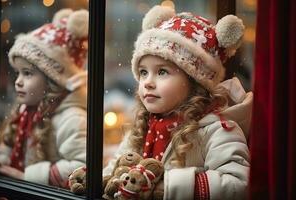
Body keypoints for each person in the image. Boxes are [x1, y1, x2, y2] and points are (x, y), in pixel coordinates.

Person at [103, 5, 253, 200]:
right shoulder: (143, 125)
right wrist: (104, 180)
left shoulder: (218, 130)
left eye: (162, 72)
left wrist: (167, 187)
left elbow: (239, 184)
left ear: (194, 81)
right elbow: (114, 167)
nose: (147, 82)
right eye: (143, 72)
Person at [0, 9, 88, 188]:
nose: (18, 82)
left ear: (52, 79)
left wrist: (28, 177)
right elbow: (10, 147)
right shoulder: (27, 110)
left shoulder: (71, 118)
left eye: (28, 73)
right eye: (17, 73)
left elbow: (83, 167)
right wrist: (3, 161)